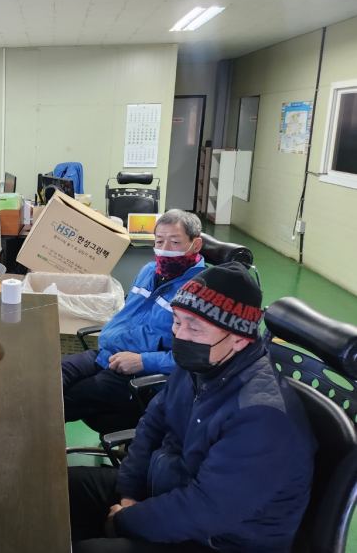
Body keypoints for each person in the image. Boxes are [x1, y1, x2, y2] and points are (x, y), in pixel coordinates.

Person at [68, 262, 316, 553]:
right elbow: (152, 424)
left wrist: (125, 521)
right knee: (57, 489)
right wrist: (128, 492)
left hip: (215, 540)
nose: (180, 336)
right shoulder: (200, 365)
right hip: (165, 492)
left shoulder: (262, 418)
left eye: (194, 328)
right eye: (176, 322)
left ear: (239, 338)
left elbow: (206, 509)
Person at [62, 210, 205, 433]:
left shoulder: (200, 293)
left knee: (64, 401)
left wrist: (143, 361)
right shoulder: (149, 271)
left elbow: (198, 359)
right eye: (159, 241)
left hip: (143, 376)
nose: (164, 249)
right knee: (51, 378)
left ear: (195, 245)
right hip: (107, 354)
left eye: (175, 242)